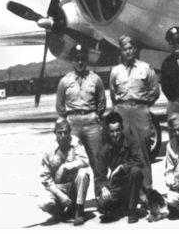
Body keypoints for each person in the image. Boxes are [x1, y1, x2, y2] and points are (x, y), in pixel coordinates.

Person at [109, 35, 160, 190]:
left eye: (130, 48)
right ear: (121, 51)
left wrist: (143, 105)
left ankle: (147, 191)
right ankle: (128, 192)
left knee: (143, 150)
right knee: (123, 150)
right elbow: (113, 93)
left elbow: (155, 90)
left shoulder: (146, 68)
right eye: (125, 49)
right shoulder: (115, 71)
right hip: (122, 110)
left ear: (135, 49)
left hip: (140, 110)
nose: (128, 52)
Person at [56, 43, 106, 184]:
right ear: (72, 61)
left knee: (98, 161)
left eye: (82, 58)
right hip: (73, 124)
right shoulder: (64, 81)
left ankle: (102, 197)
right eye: (77, 59)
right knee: (72, 161)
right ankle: (74, 201)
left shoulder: (95, 79)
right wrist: (68, 120)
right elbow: (60, 106)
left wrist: (96, 116)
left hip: (91, 122)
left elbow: (101, 103)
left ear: (86, 59)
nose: (80, 62)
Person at [95, 111, 144, 224]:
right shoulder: (104, 148)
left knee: (136, 171)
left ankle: (132, 210)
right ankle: (121, 205)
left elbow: (140, 160)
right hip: (116, 183)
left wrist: (122, 167)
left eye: (117, 130)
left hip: (131, 181)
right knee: (103, 204)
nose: (115, 134)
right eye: (112, 131)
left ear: (122, 129)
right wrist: (103, 188)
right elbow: (99, 175)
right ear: (108, 132)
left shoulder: (130, 140)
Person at [38, 119, 90, 226]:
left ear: (69, 132)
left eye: (66, 132)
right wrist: (61, 195)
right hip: (58, 188)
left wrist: (66, 166)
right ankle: (60, 214)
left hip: (73, 186)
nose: (63, 135)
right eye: (60, 133)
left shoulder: (75, 142)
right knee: (43, 203)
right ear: (55, 133)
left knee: (83, 173)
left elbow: (85, 161)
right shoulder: (49, 149)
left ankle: (79, 211)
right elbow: (45, 179)